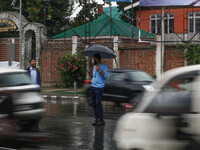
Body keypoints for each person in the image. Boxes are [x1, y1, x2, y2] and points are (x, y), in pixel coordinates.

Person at [90, 53, 108, 126]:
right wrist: (90, 74)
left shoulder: (103, 66)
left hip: (99, 87)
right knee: (94, 103)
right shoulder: (95, 66)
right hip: (93, 86)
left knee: (98, 103)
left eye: (93, 58)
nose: (92, 60)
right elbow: (94, 75)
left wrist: (99, 70)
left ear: (97, 59)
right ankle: (96, 119)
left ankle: (101, 119)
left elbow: (105, 77)